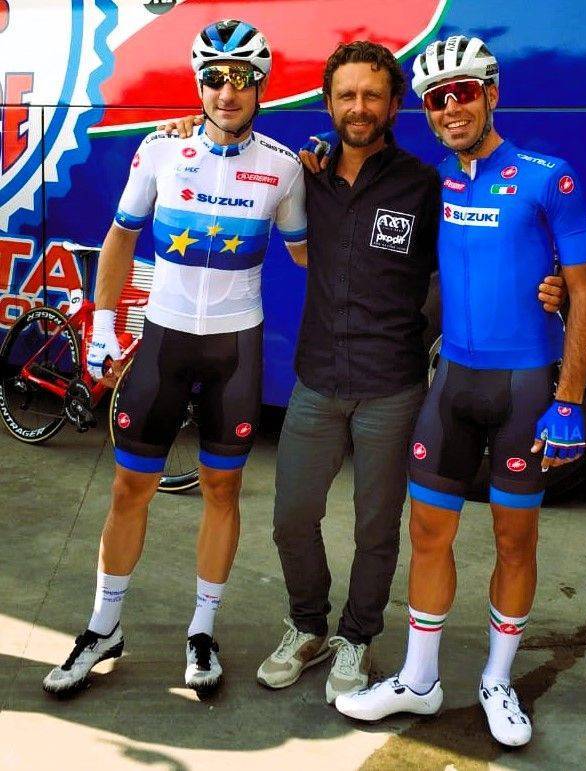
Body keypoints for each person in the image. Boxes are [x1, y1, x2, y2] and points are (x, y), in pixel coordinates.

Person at [164, 40, 564, 705]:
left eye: (372, 95)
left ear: (394, 104)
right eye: (346, 95)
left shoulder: (424, 184)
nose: (358, 107)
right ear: (328, 104)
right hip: (316, 381)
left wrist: (550, 284)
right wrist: (183, 128)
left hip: (392, 387)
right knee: (291, 516)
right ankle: (307, 625)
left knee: (376, 529)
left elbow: (485, 245)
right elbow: (228, 156)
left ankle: (356, 636)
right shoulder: (307, 175)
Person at [334, 35, 586, 748]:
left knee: (515, 539)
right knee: (428, 533)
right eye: (435, 99)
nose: (450, 108)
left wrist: (569, 400)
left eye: (462, 93)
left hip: (523, 388)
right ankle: (419, 680)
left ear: (491, 95)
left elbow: (583, 292)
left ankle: (496, 679)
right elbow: (360, 178)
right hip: (451, 382)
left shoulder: (548, 178)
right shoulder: (435, 182)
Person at [42, 19, 307, 695]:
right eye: (214, 77)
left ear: (261, 86)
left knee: (222, 490)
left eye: (241, 77)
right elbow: (120, 236)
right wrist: (104, 325)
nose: (227, 91)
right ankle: (103, 626)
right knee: (128, 488)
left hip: (235, 351)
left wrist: (333, 179)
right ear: (198, 84)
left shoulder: (283, 167)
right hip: (163, 343)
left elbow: (310, 254)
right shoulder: (161, 149)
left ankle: (202, 632)